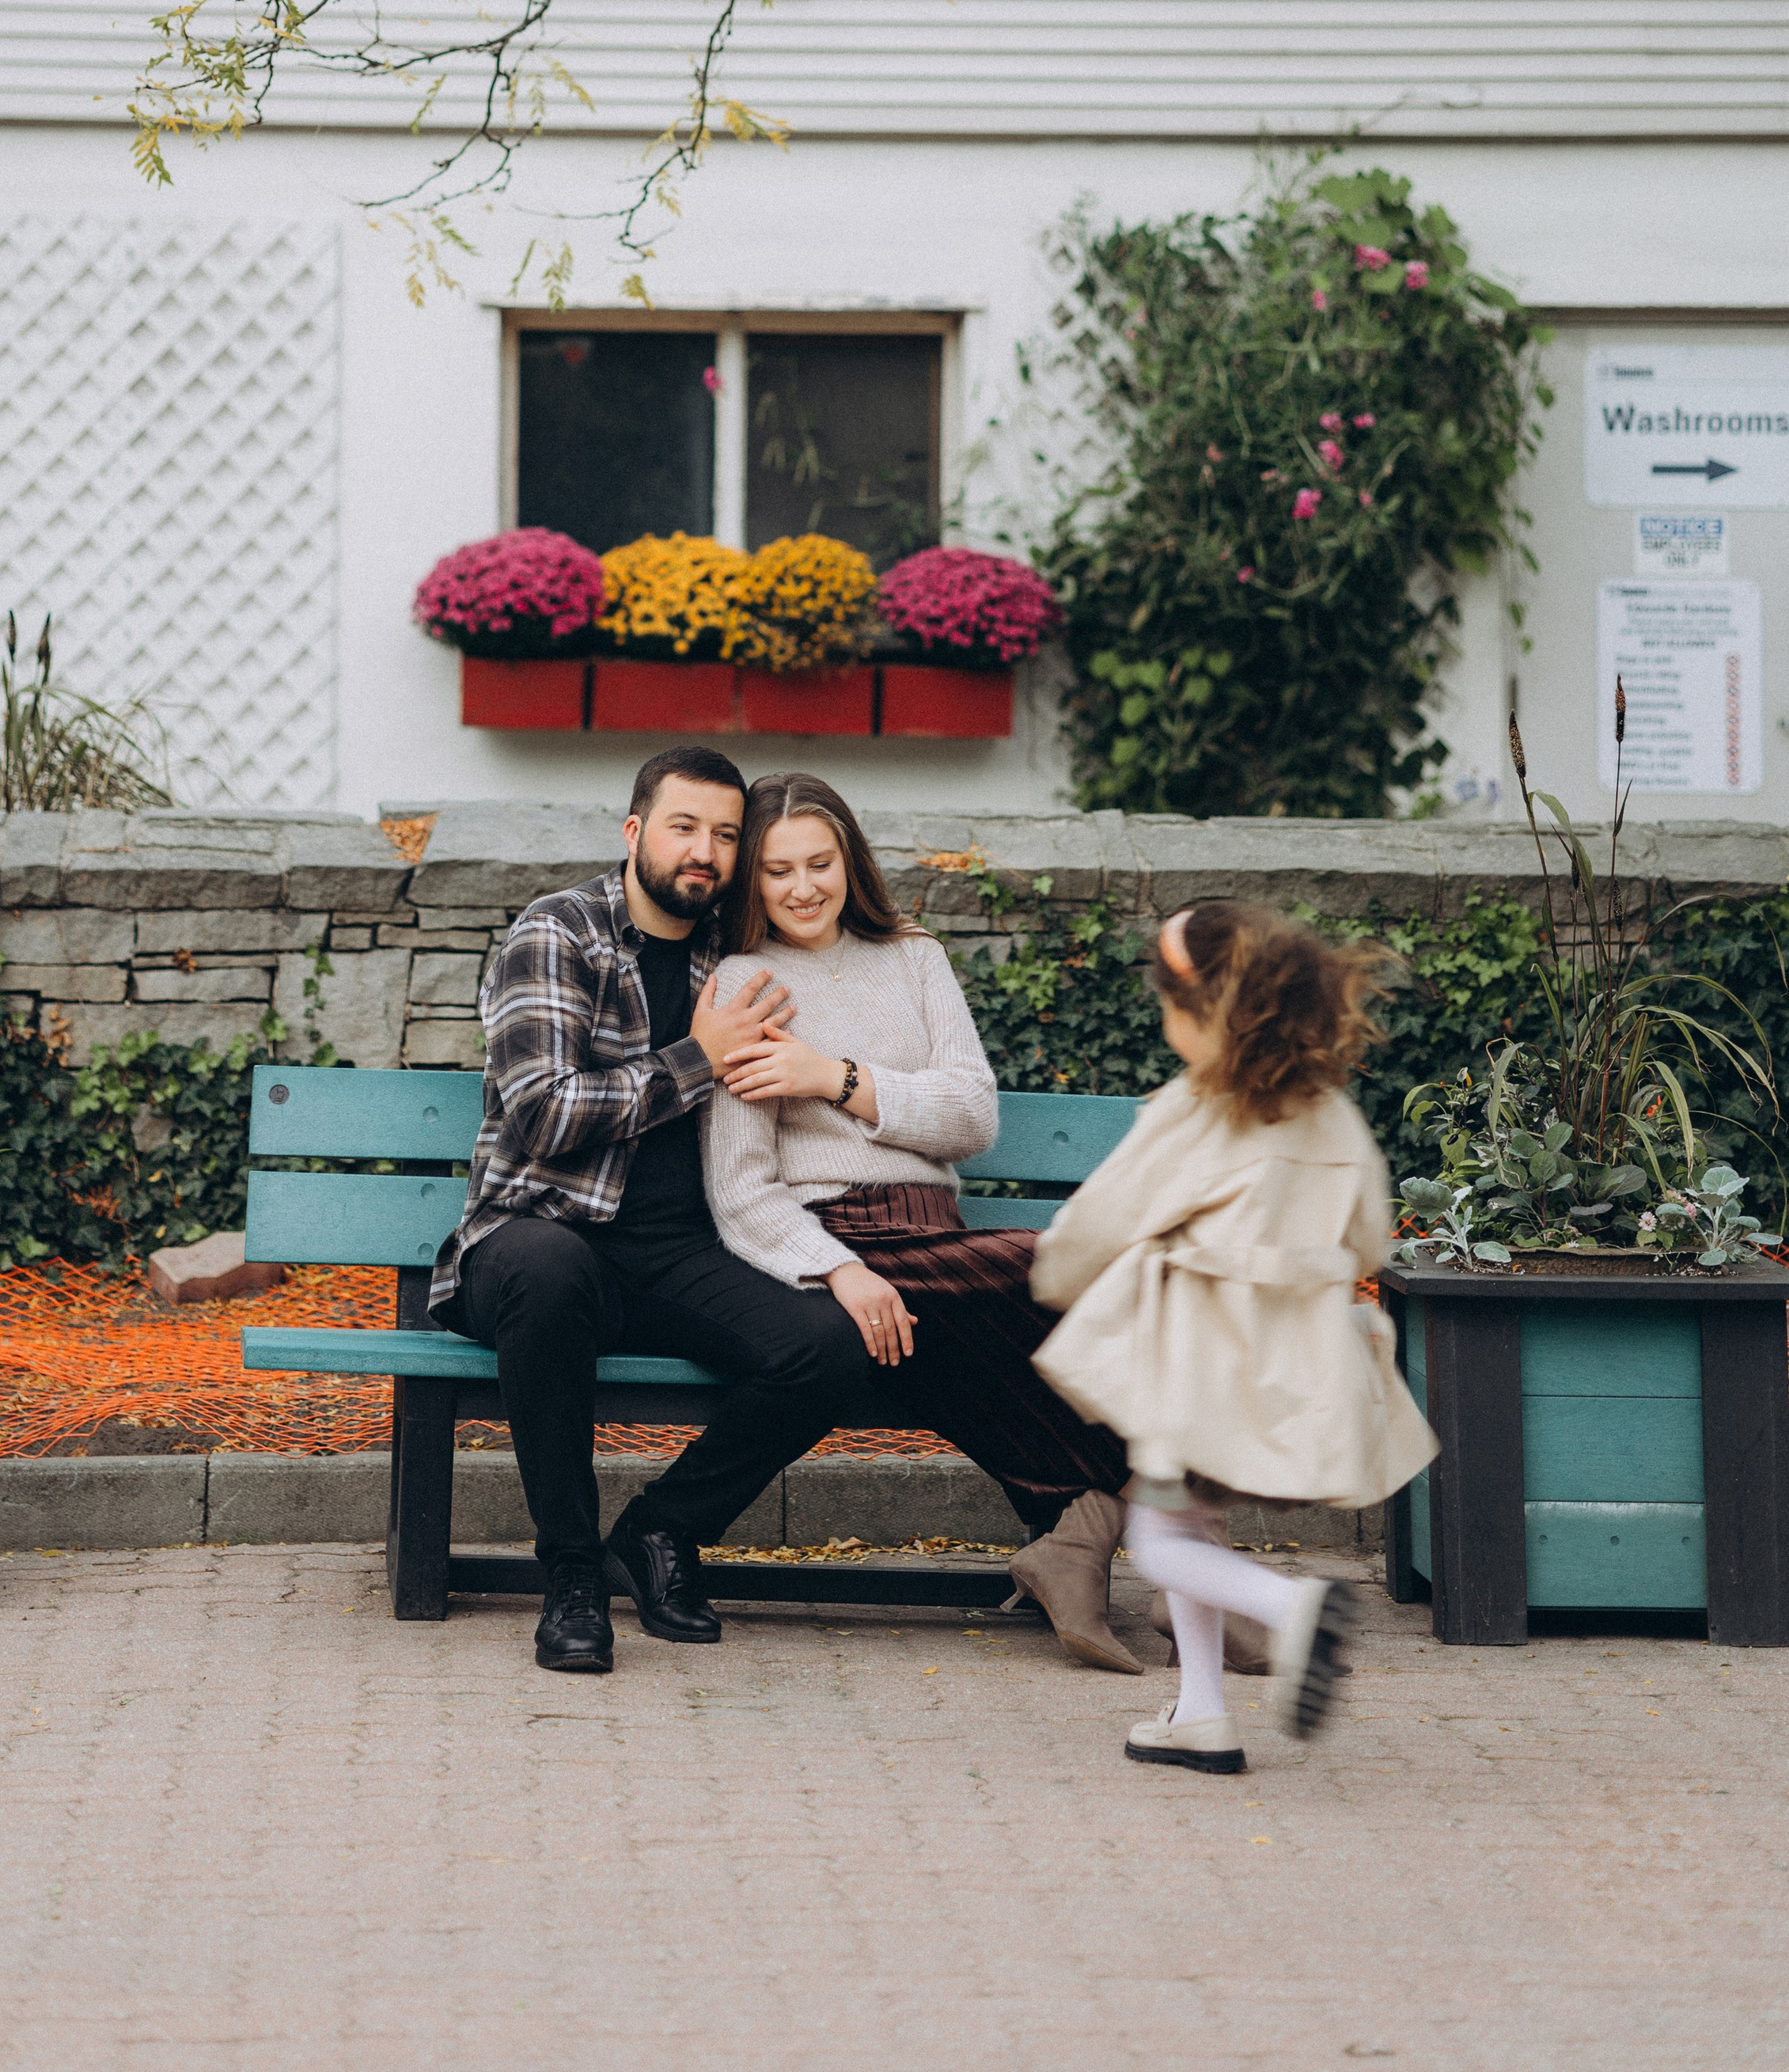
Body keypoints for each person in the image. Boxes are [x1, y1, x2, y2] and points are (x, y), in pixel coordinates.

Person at [431, 744, 883, 1677]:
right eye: (684, 827)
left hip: (680, 1252)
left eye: (725, 835)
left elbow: (842, 993)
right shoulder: (557, 933)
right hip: (538, 1234)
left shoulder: (736, 956)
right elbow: (545, 1114)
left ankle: (659, 1531)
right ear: (636, 831)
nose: (704, 853)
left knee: (828, 1348)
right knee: (549, 1275)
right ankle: (569, 1575)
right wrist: (696, 1058)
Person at [700, 769, 1144, 1672]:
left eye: (818, 862)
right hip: (848, 1241)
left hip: (937, 1240)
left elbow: (972, 1115)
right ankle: (1131, 1551)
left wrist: (834, 1078)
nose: (801, 888)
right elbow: (740, 1188)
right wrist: (833, 1270)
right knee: (1059, 1267)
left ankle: (1080, 1546)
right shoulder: (743, 985)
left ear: (848, 860)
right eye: (775, 871)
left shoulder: (914, 957)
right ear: (750, 882)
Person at [1030, 900, 1438, 1775]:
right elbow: (1370, 1236)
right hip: (1298, 1372)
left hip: (1199, 1367)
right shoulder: (1331, 1115)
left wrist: (1054, 1275)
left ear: (1200, 1013)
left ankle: (1293, 1611)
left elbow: (1102, 1220)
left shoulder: (1195, 1110)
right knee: (1198, 1534)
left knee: (1161, 1542)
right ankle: (1199, 1712)